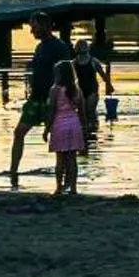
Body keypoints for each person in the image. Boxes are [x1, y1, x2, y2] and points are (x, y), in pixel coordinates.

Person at [8, 14, 72, 187]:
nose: (31, 31)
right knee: (19, 132)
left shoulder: (59, 47)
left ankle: (65, 178)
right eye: (31, 27)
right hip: (36, 98)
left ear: (45, 26)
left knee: (59, 141)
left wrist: (66, 100)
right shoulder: (40, 47)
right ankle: (13, 172)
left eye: (34, 27)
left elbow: (67, 74)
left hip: (52, 100)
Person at [46, 55, 86, 195]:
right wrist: (84, 129)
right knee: (72, 159)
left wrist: (46, 129)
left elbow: (51, 111)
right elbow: (82, 111)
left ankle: (58, 187)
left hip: (59, 124)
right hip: (74, 124)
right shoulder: (77, 90)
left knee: (60, 159)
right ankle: (73, 188)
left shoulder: (55, 90)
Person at [73, 38, 114, 133]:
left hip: (92, 90)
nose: (81, 49)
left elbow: (103, 75)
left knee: (90, 111)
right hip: (80, 90)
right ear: (77, 49)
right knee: (81, 113)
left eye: (83, 47)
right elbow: (70, 79)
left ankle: (93, 130)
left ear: (87, 48)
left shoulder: (93, 61)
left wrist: (109, 85)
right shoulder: (74, 62)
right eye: (79, 47)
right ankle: (85, 130)